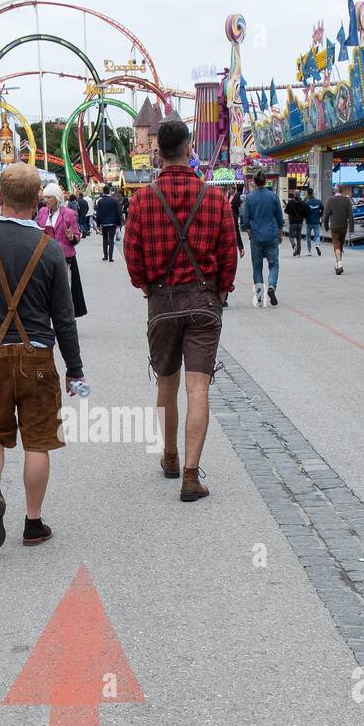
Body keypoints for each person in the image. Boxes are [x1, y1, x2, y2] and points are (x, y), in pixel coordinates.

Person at [0, 162, 85, 549]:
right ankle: (33, 523)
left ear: (1, 197)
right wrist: (74, 369)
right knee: (38, 442)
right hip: (38, 358)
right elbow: (65, 317)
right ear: (37, 200)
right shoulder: (51, 250)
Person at [123, 119, 237, 502]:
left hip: (162, 302)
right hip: (204, 302)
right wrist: (219, 293)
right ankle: (191, 474)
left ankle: (169, 456)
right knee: (198, 387)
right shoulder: (216, 199)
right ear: (189, 149)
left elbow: (132, 256)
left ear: (158, 152)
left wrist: (148, 287)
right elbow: (228, 256)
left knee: (166, 384)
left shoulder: (142, 199)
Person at [37, 183, 87, 315]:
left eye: (49, 197)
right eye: (45, 197)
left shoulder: (69, 214)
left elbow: (77, 235)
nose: (46, 200)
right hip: (44, 256)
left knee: (63, 289)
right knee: (45, 288)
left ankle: (65, 317)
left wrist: (71, 237)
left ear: (57, 198)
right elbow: (36, 228)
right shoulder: (42, 212)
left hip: (64, 256)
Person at [240, 172, 283, 307]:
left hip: (257, 236)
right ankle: (271, 286)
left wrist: (249, 233)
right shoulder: (274, 196)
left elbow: (245, 220)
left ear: (254, 182)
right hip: (271, 235)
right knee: (274, 264)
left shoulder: (250, 198)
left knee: (257, 267)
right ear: (265, 182)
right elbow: (280, 218)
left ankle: (259, 295)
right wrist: (280, 233)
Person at [323, 186, 354, 274]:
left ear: (335, 191)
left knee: (336, 244)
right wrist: (351, 228)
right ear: (342, 191)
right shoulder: (347, 200)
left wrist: (325, 226)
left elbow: (325, 215)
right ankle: (337, 265)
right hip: (344, 226)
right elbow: (350, 215)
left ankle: (339, 264)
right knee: (340, 245)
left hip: (334, 226)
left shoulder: (330, 200)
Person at [95, 183, 123, 261]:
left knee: (104, 239)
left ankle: (105, 256)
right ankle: (111, 257)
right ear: (109, 191)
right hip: (112, 223)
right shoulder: (114, 201)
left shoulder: (100, 201)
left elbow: (98, 213)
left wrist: (98, 224)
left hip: (103, 223)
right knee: (111, 239)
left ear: (103, 191)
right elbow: (118, 212)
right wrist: (119, 223)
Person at [284, 189, 308, 256]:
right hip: (300, 222)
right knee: (298, 237)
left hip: (292, 222)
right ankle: (298, 251)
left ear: (294, 195)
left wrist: (291, 213)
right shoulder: (303, 203)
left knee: (291, 236)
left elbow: (286, 210)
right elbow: (305, 213)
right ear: (299, 194)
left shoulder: (291, 202)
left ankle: (294, 246)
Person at [304, 186, 323, 256]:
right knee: (317, 235)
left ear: (308, 194)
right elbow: (322, 209)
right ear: (313, 193)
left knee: (308, 236)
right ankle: (317, 245)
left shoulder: (307, 203)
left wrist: (305, 217)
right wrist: (319, 215)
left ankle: (309, 251)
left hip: (309, 221)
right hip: (316, 221)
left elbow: (304, 212)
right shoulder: (319, 201)